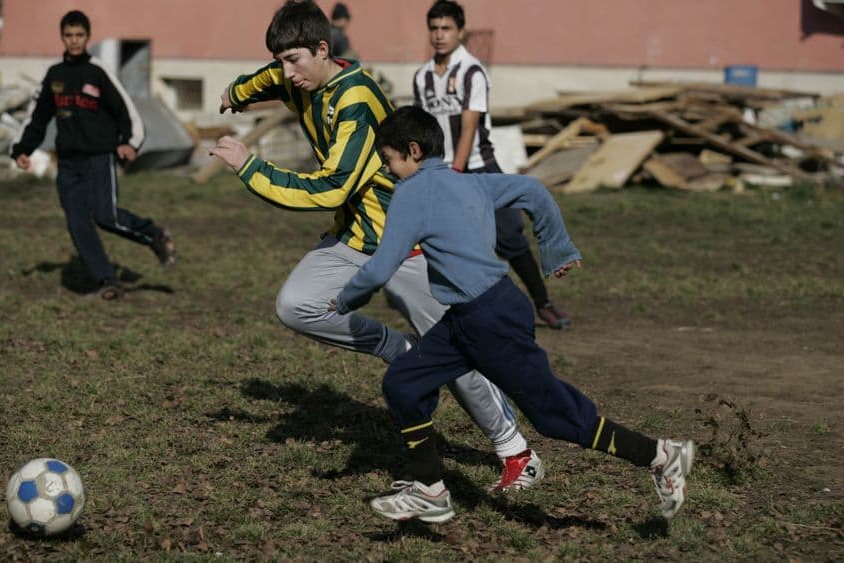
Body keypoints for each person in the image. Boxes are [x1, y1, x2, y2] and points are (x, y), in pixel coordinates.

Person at [209, 0, 544, 492]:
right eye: (280, 60)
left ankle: (517, 451)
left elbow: (329, 189)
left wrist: (250, 166)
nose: (285, 73)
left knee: (459, 348)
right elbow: (268, 76)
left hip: (406, 241)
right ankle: (398, 348)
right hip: (355, 236)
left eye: (294, 60)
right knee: (295, 304)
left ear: (323, 50)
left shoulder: (356, 101)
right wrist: (236, 93)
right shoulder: (298, 74)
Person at [331, 106, 694, 523]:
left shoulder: (412, 193)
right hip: (473, 315)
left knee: (555, 416)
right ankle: (430, 489)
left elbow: (380, 266)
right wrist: (555, 247)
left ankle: (661, 455)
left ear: (412, 151)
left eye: (390, 159)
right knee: (403, 382)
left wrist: (343, 302)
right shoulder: (469, 183)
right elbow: (534, 190)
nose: (389, 169)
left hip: (489, 320)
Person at [413, 0, 570, 330]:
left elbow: (469, 127)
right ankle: (461, 312)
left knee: (509, 237)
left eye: (446, 28)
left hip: (477, 168)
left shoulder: (472, 72)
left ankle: (543, 303)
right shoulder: (422, 77)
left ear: (460, 31)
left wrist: (455, 174)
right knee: (447, 243)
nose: (439, 35)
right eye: (434, 28)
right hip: (441, 171)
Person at [10, 10, 175, 300]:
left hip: (98, 158)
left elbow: (127, 111)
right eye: (69, 35)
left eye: (79, 35)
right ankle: (107, 281)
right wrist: (22, 149)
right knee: (77, 223)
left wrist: (130, 143)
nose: (74, 41)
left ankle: (154, 236)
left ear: (87, 37)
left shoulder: (97, 72)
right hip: (69, 163)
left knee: (105, 216)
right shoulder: (55, 75)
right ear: (62, 37)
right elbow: (37, 117)